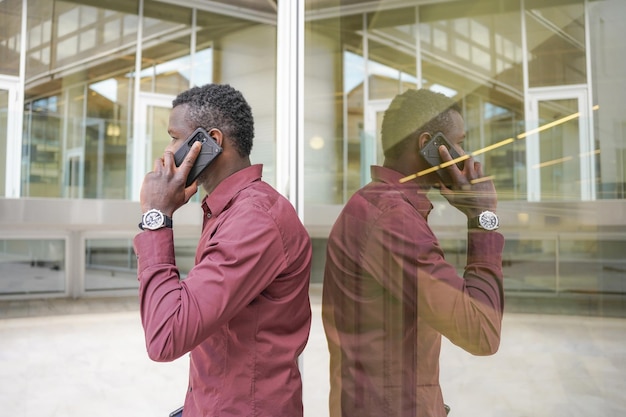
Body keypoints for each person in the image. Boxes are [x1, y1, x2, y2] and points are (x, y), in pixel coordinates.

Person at [322, 88, 505, 417]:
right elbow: (482, 332)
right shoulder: (391, 219)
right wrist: (483, 219)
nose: (466, 156)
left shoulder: (378, 205)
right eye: (458, 142)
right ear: (429, 145)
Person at [133, 83, 312, 417]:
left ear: (210, 141)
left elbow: (166, 335)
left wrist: (156, 217)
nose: (167, 152)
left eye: (175, 137)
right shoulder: (230, 209)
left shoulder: (254, 220)